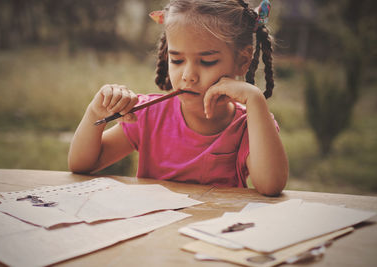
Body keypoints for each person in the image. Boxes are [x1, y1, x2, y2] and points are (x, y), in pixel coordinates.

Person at [68, 0, 288, 196]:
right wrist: (95, 113)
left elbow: (271, 185)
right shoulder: (149, 116)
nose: (188, 76)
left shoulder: (250, 125)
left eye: (207, 62)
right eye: (177, 60)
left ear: (243, 60)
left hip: (213, 236)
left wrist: (254, 98)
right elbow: (82, 164)